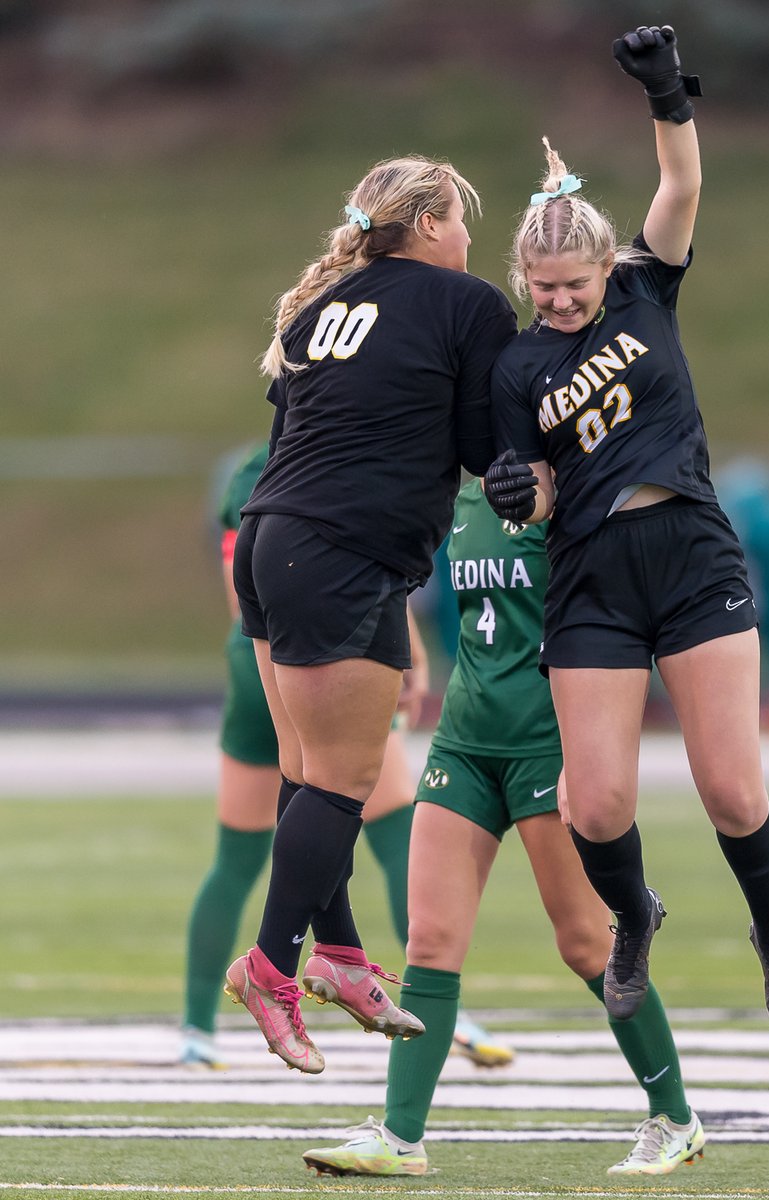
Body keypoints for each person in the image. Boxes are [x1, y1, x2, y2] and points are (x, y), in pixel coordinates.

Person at [483, 24, 769, 1039]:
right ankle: (634, 919)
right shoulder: (517, 367)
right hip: (592, 577)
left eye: (573, 283)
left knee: (730, 788)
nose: (561, 299)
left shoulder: (642, 286)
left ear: (601, 261)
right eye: (543, 290)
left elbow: (681, 188)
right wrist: (512, 490)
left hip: (689, 554)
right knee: (596, 804)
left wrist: (668, 94)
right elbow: (537, 496)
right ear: (524, 280)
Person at [301, 477, 705, 1178]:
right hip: (464, 739)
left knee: (586, 944)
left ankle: (675, 1117)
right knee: (430, 939)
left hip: (548, 744)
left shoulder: (576, 500)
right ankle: (400, 1138)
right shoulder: (453, 500)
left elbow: (620, 624)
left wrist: (596, 753)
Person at [224, 156, 518, 1074]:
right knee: (343, 782)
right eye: (462, 219)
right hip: (341, 553)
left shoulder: (323, 306)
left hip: (276, 543)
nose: (471, 237)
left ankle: (343, 957)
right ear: (430, 222)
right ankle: (271, 970)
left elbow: (288, 438)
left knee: (311, 772)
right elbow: (479, 446)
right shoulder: (464, 302)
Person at [180, 443, 514, 1070]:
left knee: (251, 847)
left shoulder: (273, 460)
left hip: (262, 651)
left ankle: (199, 1027)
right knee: (380, 824)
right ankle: (434, 994)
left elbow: (245, 585)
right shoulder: (318, 458)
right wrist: (397, 647)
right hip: (318, 646)